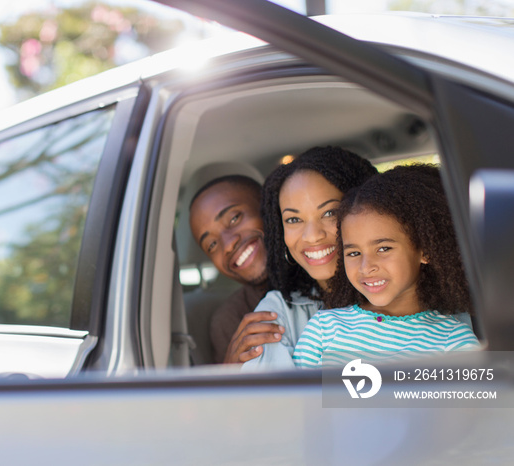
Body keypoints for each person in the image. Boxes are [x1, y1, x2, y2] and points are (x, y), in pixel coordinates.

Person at [291, 164, 479, 367]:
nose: (366, 266)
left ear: (424, 250)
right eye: (354, 253)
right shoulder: (324, 328)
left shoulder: (453, 341)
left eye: (383, 249)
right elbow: (294, 398)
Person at [242, 146, 378, 370]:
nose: (313, 236)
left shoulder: (417, 296)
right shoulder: (277, 312)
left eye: (330, 213)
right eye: (294, 220)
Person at [189, 175, 283, 364]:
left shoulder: (336, 277)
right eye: (212, 244)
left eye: (234, 218)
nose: (229, 244)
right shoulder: (229, 321)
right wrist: (231, 372)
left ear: (268, 206)